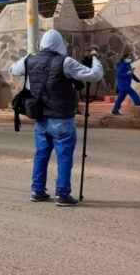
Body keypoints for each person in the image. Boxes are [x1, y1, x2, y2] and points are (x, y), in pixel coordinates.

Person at [10, 29, 103, 206]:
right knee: (64, 157)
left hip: (41, 117)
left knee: (41, 155)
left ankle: (37, 191)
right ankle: (62, 194)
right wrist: (95, 58)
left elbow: (13, 69)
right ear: (60, 44)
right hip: (61, 118)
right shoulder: (65, 62)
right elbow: (95, 75)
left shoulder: (30, 60)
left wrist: (28, 58)